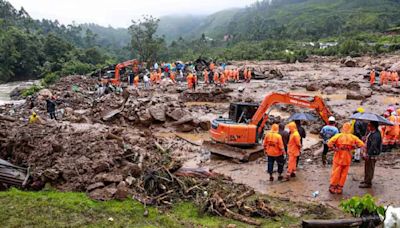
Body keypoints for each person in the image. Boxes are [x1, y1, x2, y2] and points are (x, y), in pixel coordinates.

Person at [327, 123, 364, 194]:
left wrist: (335, 148)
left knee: (336, 172)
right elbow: (361, 144)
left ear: (343, 128)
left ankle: (333, 186)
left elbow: (329, 143)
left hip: (338, 156)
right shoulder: (353, 137)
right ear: (349, 128)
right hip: (347, 157)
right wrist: (353, 147)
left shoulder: (338, 136)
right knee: (344, 174)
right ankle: (339, 188)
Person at [360, 121, 382, 188]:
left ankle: (368, 182)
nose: (368, 127)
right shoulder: (372, 133)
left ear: (373, 126)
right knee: (367, 167)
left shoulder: (376, 135)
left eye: (369, 125)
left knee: (370, 168)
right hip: (369, 152)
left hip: (372, 153)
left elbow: (373, 145)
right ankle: (366, 179)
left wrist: (368, 154)